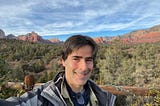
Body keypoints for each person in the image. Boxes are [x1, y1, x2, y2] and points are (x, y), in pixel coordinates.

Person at [0, 35, 116, 106]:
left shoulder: (103, 97)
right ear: (63, 61)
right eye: (76, 59)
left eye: (88, 60)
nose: (84, 67)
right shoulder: (43, 97)